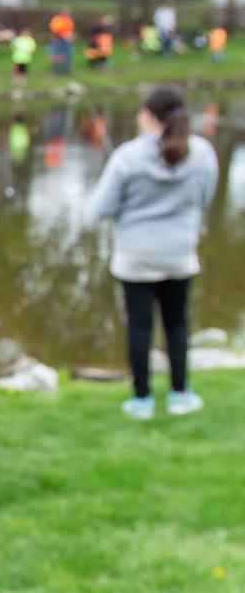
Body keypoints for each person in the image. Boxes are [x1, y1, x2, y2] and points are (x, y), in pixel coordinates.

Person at [89, 83, 218, 418]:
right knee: (177, 324)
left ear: (148, 116)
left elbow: (101, 208)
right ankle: (180, 395)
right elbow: (205, 199)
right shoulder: (203, 153)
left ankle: (141, 399)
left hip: (136, 256)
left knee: (139, 327)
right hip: (179, 253)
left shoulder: (127, 157)